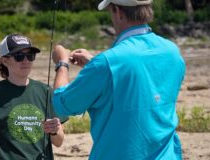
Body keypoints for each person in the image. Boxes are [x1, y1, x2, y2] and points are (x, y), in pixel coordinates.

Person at [52, 0, 186, 159]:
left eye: (110, 11)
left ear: (118, 12)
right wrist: (96, 64)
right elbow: (147, 88)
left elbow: (63, 104)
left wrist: (62, 63)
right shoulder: (172, 51)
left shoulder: (106, 63)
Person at [0, 34, 67, 160]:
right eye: (19, 56)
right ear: (5, 60)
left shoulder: (45, 91)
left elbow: (58, 142)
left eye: (30, 56)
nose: (26, 61)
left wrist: (54, 130)